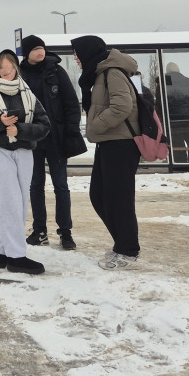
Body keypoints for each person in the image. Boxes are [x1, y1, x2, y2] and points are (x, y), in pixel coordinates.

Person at [0, 49, 51, 274]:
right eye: (1, 67)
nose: (6, 71)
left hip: (23, 151)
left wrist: (20, 130)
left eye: (10, 66)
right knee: (8, 203)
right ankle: (17, 257)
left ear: (16, 67)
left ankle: (1, 251)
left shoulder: (27, 93)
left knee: (20, 203)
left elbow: (44, 125)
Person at [71, 35, 141, 270]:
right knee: (100, 196)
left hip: (121, 143)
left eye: (77, 54)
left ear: (88, 52)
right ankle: (121, 243)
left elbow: (122, 106)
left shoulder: (112, 72)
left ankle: (128, 249)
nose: (76, 59)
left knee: (119, 199)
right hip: (109, 143)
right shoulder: (100, 73)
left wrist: (95, 126)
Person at [18, 35, 81, 250]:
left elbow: (71, 103)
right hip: (32, 139)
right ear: (27, 52)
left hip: (56, 138)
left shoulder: (56, 71)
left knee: (61, 186)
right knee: (35, 185)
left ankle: (66, 232)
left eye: (42, 48)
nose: (40, 52)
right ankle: (40, 231)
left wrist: (71, 131)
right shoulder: (20, 74)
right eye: (35, 49)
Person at [163, 63, 189, 164]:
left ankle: (181, 162)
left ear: (167, 71)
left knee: (177, 140)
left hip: (172, 118)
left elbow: (161, 102)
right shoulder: (188, 83)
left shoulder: (164, 84)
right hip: (188, 117)